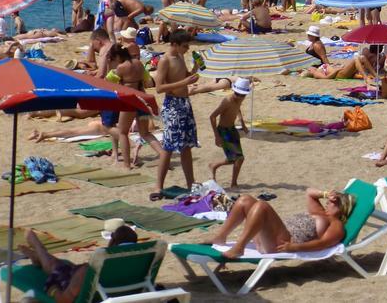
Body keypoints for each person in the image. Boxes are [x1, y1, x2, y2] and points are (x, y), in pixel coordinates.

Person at [204, 188, 354, 260]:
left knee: (262, 206)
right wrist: (326, 194)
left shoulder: (336, 225)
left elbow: (323, 244)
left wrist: (295, 247)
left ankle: (239, 247)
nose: (329, 202)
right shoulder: (320, 212)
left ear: (343, 207)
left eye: (334, 201)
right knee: (245, 200)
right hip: (271, 235)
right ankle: (220, 237)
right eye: (330, 200)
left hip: (281, 242)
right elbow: (309, 192)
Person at [17, 223, 138, 303]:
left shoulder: (95, 268)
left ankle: (38, 248)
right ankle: (38, 255)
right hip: (115, 290)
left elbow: (65, 300)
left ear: (113, 242)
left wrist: (52, 290)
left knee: (56, 267)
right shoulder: (140, 262)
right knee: (64, 266)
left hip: (89, 289)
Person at [151, 30, 200, 201]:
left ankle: (190, 183)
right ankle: (158, 186)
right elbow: (159, 88)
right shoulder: (164, 60)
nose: (187, 49)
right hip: (172, 105)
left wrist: (194, 69)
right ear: (175, 44)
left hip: (185, 103)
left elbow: (184, 76)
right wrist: (185, 82)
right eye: (185, 46)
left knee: (186, 145)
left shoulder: (179, 57)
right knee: (169, 147)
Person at [106, 45, 162, 170]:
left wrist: (110, 67)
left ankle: (127, 165)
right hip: (142, 98)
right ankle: (163, 155)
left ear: (119, 56)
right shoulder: (139, 63)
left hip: (129, 101)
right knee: (145, 133)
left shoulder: (121, 67)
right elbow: (147, 81)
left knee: (123, 133)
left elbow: (109, 83)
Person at [209, 77, 251, 188]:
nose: (238, 97)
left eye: (241, 95)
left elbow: (238, 109)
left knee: (236, 158)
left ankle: (216, 167)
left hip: (232, 129)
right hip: (223, 131)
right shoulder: (227, 101)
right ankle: (232, 182)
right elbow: (212, 117)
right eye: (237, 94)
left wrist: (242, 123)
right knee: (238, 158)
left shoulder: (239, 100)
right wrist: (216, 136)